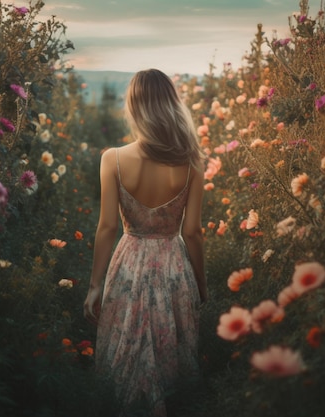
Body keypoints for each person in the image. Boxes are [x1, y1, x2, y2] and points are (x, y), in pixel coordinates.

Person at [83, 68, 207, 417]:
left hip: (128, 264)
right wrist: (201, 284)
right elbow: (193, 232)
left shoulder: (113, 159)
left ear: (135, 107)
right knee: (172, 360)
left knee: (125, 357)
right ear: (171, 105)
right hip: (173, 267)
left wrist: (95, 286)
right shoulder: (191, 162)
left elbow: (107, 227)